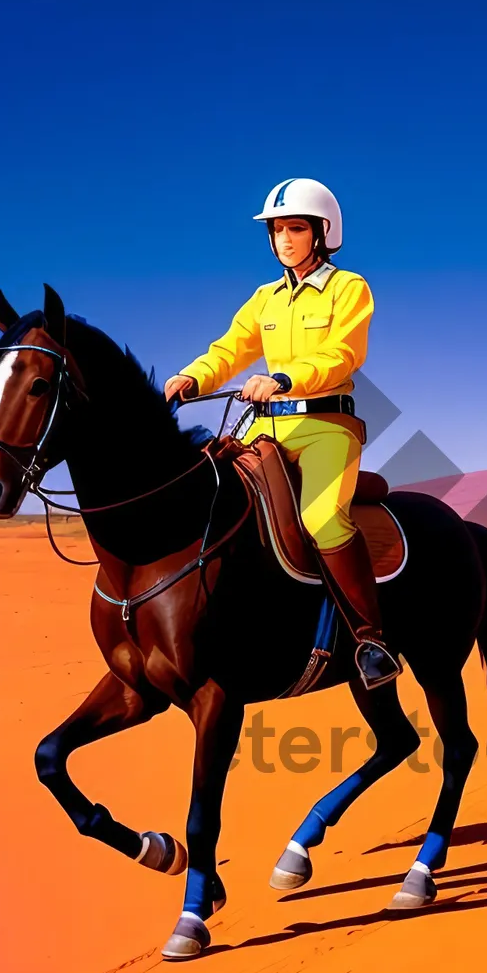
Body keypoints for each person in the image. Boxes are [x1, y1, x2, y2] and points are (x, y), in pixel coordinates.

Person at [164, 178, 402, 690]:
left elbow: (343, 354)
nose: (284, 240)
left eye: (296, 228)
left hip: (325, 427)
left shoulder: (349, 288)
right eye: (276, 230)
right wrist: (193, 377)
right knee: (214, 496)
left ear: (321, 231)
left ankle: (370, 640)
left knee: (320, 517)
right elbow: (229, 348)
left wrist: (283, 378)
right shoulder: (265, 299)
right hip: (266, 430)